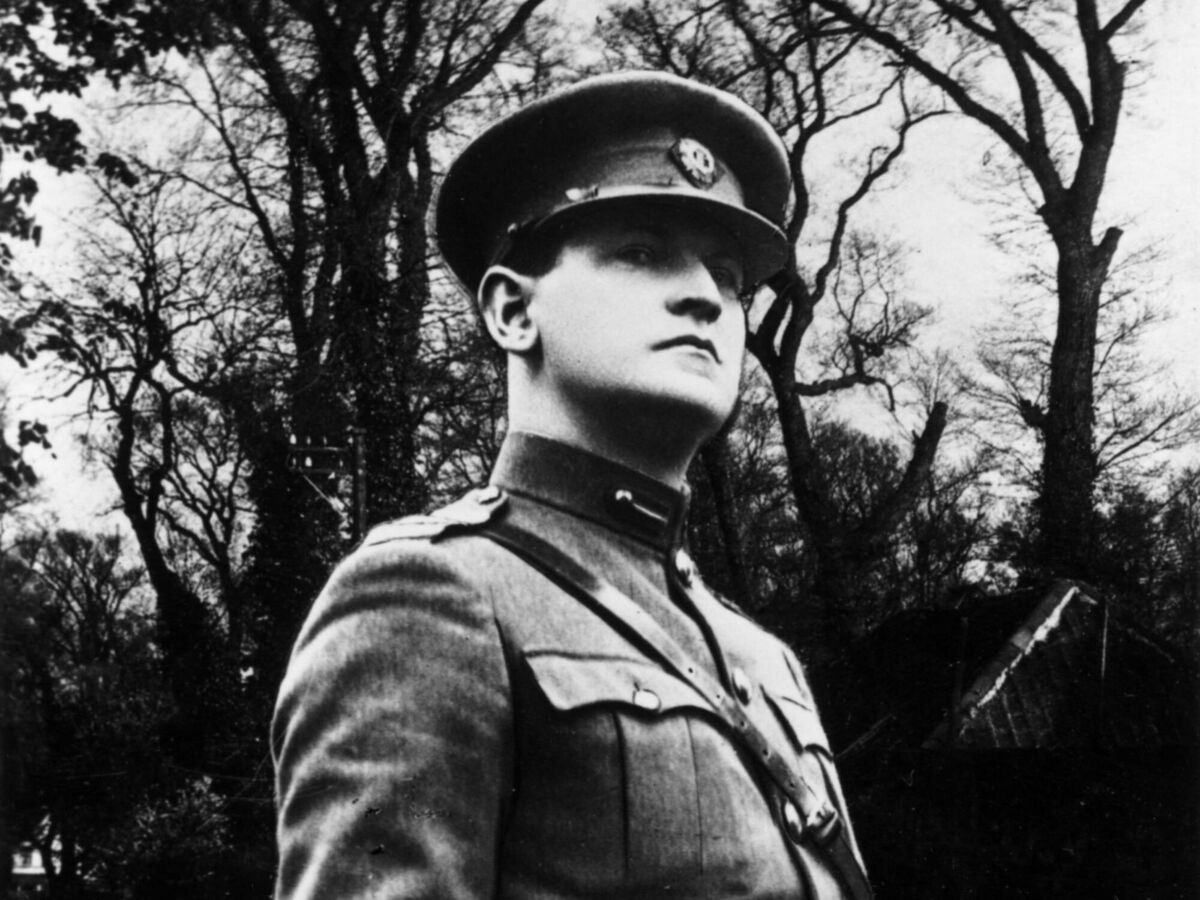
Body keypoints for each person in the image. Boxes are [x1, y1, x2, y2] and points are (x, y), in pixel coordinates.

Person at [271, 70, 872, 900]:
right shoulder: (432, 594)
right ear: (514, 313)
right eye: (641, 253)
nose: (705, 296)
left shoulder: (764, 661)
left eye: (729, 276)